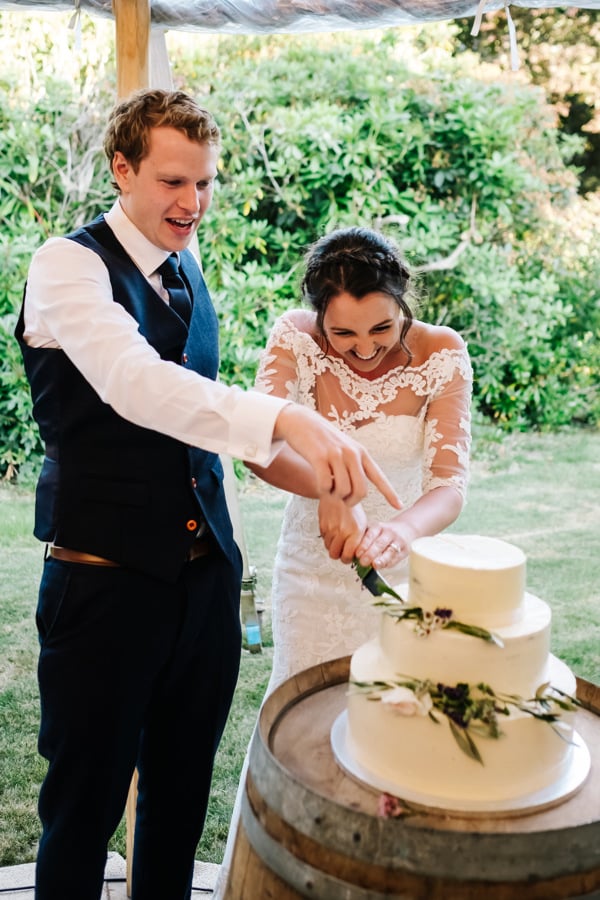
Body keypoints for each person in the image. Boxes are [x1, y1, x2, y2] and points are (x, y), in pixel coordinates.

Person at [14, 91, 399, 900]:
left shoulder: (187, 266)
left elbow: (208, 424)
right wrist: (291, 415)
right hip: (104, 585)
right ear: (122, 170)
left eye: (207, 184)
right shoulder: (66, 266)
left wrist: (330, 479)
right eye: (173, 182)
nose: (193, 204)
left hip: (205, 584)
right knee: (81, 815)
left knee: (179, 805)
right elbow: (136, 385)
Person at [212, 224, 472, 895]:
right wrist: (332, 487)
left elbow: (447, 485)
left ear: (402, 300)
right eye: (344, 335)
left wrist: (403, 533)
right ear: (318, 316)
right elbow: (259, 449)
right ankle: (273, 877)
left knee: (395, 721)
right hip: (311, 565)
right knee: (299, 717)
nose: (362, 350)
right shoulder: (294, 337)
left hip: (401, 569)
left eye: (380, 330)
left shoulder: (443, 355)